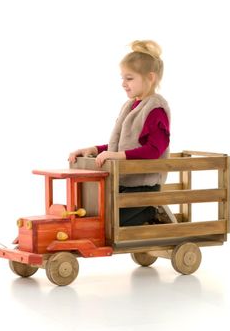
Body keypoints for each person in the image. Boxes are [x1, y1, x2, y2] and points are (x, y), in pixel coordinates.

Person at [68, 40, 170, 226]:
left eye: (129, 78)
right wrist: (94, 149)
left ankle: (149, 211)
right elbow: (124, 145)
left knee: (108, 223)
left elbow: (154, 150)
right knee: (94, 216)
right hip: (124, 184)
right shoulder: (131, 106)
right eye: (122, 78)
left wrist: (115, 155)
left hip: (143, 187)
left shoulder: (155, 110)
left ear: (151, 77)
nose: (123, 84)